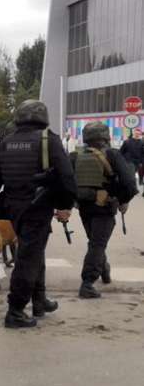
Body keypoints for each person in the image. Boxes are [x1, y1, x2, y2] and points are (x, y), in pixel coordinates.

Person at [0, 100, 77, 329]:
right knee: (28, 259)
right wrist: (66, 205)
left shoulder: (7, 142)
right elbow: (66, 176)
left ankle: (39, 300)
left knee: (33, 252)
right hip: (38, 207)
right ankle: (15, 310)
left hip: (12, 208)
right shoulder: (49, 140)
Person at [70, 122, 137, 299]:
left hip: (84, 206)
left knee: (96, 241)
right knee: (97, 243)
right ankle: (87, 283)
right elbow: (129, 183)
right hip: (105, 206)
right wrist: (123, 200)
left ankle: (104, 270)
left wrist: (71, 202)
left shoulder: (75, 155)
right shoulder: (111, 154)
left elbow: (65, 180)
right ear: (106, 137)